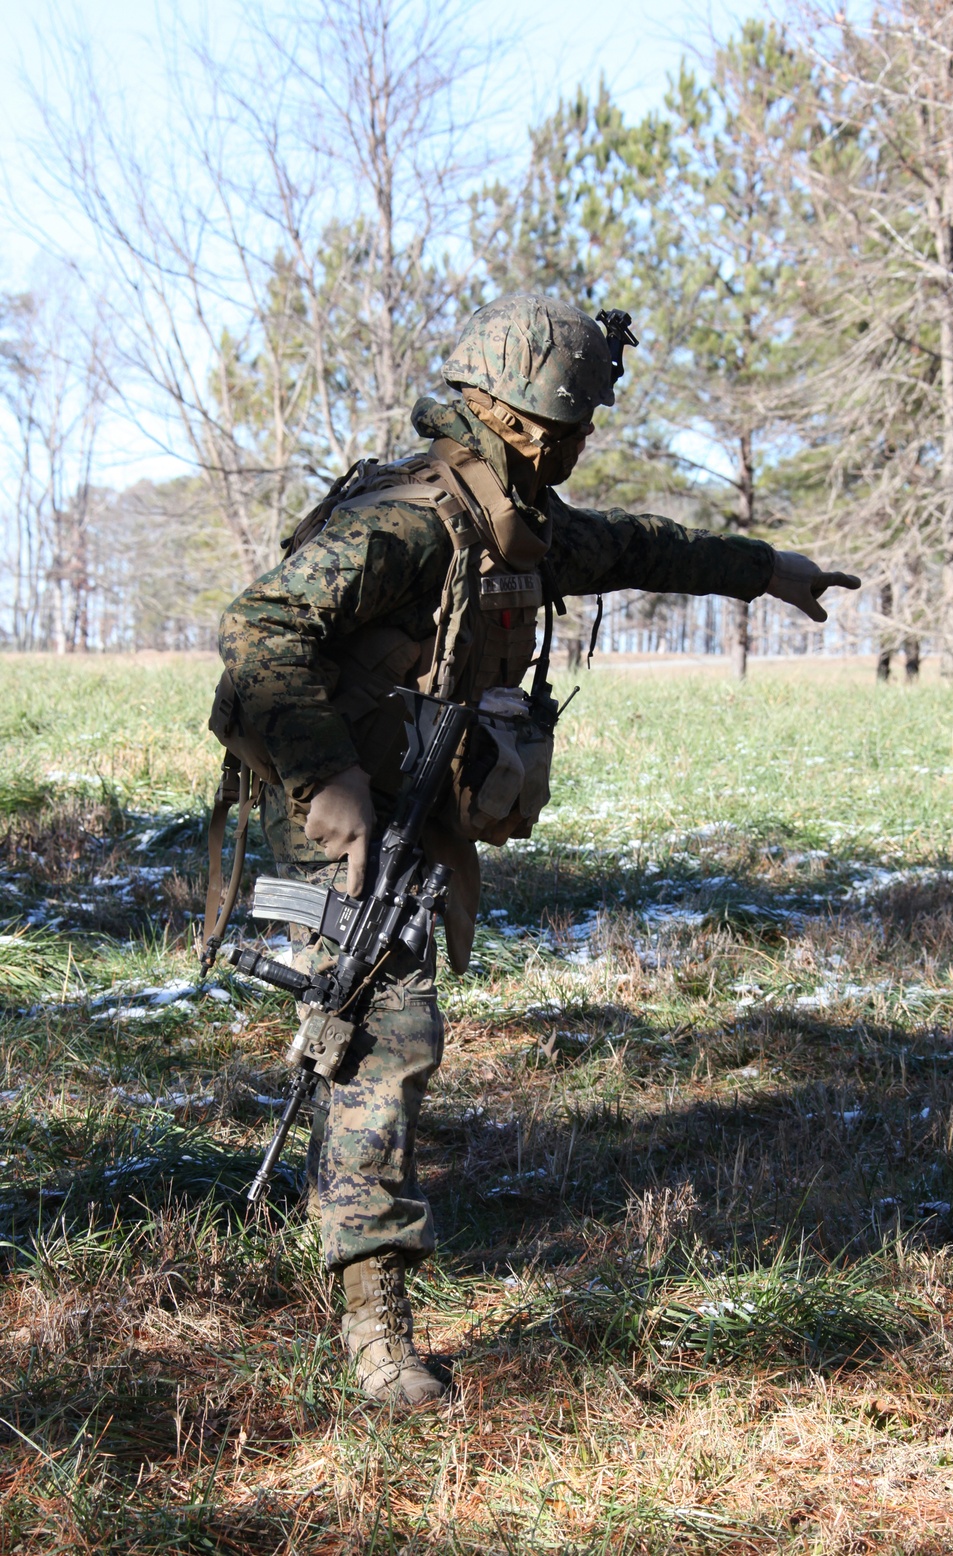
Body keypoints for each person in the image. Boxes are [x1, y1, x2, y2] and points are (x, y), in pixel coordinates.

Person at [219, 293, 859, 1406]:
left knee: (379, 1035)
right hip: (339, 804)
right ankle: (375, 1318)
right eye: (573, 421)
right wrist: (330, 789)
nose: (584, 440)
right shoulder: (411, 523)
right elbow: (259, 629)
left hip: (412, 801)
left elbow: (638, 547)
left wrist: (766, 568)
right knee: (383, 1041)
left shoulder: (516, 518)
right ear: (518, 417)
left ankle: (356, 1241)